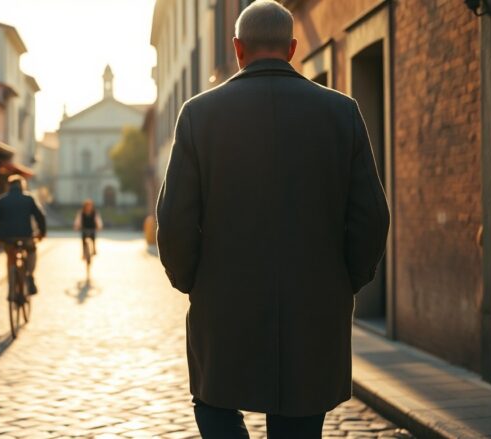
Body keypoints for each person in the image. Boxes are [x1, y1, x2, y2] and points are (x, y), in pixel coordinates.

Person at [155, 1, 390, 438]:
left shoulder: (199, 115)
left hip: (223, 305)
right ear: (293, 47)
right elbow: (373, 217)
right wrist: (343, 280)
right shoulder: (342, 113)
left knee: (215, 403)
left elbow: (174, 222)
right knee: (299, 421)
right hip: (315, 305)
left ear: (238, 48)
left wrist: (193, 281)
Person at [0, 175, 47, 298]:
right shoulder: (29, 199)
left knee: (10, 257)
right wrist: (42, 233)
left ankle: (11, 291)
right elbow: (40, 217)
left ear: (9, 186)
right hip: (25, 235)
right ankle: (30, 276)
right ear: (22, 186)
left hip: (7, 237)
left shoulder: (1, 200)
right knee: (32, 250)